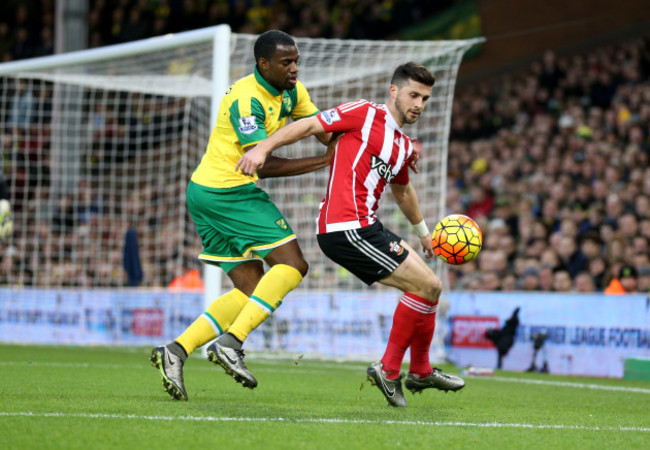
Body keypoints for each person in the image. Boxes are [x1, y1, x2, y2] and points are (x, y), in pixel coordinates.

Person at [237, 62, 465, 407]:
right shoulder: (363, 113)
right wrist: (262, 148)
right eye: (413, 94)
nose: (419, 103)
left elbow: (402, 191)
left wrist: (423, 233)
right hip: (345, 228)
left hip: (365, 226)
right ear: (394, 91)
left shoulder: (403, 145)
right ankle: (390, 371)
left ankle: (419, 370)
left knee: (432, 286)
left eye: (425, 98)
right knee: (426, 287)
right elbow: (310, 124)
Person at [150, 30, 332, 401]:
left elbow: (324, 130)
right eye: (287, 62)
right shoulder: (246, 101)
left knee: (251, 292)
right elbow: (261, 165)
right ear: (263, 64)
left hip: (206, 191)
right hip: (228, 192)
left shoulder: (293, 91)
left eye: (296, 60)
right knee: (293, 265)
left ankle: (176, 351)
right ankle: (230, 343)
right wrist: (325, 162)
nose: (295, 68)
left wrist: (356, 143)